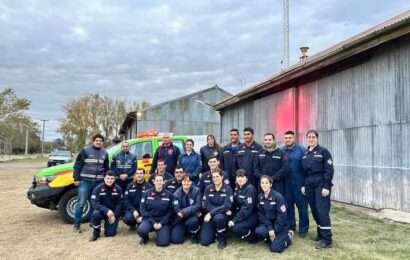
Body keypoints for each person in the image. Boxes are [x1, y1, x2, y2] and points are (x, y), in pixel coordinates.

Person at [301, 130, 334, 249]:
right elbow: (303, 172)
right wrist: (304, 185)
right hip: (309, 184)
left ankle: (327, 239)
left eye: (313, 137)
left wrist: (326, 186)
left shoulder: (324, 152)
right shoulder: (305, 153)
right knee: (314, 210)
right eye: (309, 137)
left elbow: (329, 170)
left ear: (317, 138)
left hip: (321, 184)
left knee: (322, 211)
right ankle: (320, 234)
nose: (311, 139)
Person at [73, 133, 109, 233]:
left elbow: (106, 168)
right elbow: (77, 165)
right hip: (85, 181)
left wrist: (106, 179)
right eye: (97, 141)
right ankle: (76, 225)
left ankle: (93, 223)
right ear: (93, 141)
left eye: (100, 141)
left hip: (99, 182)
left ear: (102, 142)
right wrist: (76, 178)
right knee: (81, 203)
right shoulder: (85, 151)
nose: (98, 142)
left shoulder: (105, 153)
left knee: (95, 204)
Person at [255, 175, 293, 253]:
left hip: (281, 226)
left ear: (271, 184)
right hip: (270, 224)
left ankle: (288, 237)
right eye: (262, 183)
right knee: (259, 231)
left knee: (275, 248)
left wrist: (274, 230)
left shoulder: (278, 197)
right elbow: (261, 215)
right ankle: (272, 238)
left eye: (266, 183)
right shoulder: (260, 197)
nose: (264, 185)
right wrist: (270, 228)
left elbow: (282, 216)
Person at [282, 130, 309, 237]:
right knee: (288, 207)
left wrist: (305, 184)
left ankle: (303, 229)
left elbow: (307, 168)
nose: (288, 140)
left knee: (302, 208)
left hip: (299, 184)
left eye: (290, 138)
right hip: (287, 185)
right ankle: (291, 227)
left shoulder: (302, 150)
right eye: (286, 138)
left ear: (294, 139)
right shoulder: (281, 151)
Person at [200, 169, 233, 249]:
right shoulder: (208, 188)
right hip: (211, 215)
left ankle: (222, 238)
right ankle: (214, 233)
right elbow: (205, 204)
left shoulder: (228, 189)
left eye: (217, 176)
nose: (215, 179)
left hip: (221, 215)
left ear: (222, 177)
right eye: (213, 177)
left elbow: (226, 206)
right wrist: (214, 212)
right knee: (205, 242)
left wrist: (211, 213)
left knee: (219, 218)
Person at [137, 174, 173, 247]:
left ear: (164, 182)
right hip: (149, 219)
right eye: (157, 180)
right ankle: (145, 237)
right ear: (154, 182)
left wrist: (161, 223)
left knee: (164, 243)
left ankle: (160, 233)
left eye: (160, 181)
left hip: (163, 221)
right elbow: (142, 209)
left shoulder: (169, 195)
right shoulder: (146, 193)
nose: (159, 182)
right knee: (141, 230)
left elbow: (170, 211)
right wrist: (153, 222)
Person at [89, 171, 123, 241]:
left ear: (114, 179)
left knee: (110, 234)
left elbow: (120, 204)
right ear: (104, 179)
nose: (109, 180)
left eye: (111, 179)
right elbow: (95, 203)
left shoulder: (118, 189)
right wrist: (107, 210)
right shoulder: (97, 188)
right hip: (102, 211)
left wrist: (115, 215)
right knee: (95, 214)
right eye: (108, 178)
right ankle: (96, 231)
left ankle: (109, 225)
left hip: (112, 214)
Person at [228, 169, 258, 243]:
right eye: (238, 177)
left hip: (252, 215)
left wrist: (234, 220)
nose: (240, 179)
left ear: (246, 178)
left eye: (242, 176)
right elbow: (234, 203)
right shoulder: (237, 188)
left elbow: (247, 209)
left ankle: (252, 235)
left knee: (236, 227)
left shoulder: (250, 189)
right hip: (242, 214)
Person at [171, 175, 202, 244]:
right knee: (176, 240)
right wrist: (180, 212)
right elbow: (176, 208)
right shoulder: (176, 193)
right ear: (181, 182)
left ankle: (194, 234)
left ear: (191, 182)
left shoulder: (196, 191)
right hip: (180, 219)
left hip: (191, 217)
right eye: (184, 181)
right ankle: (184, 231)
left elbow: (198, 205)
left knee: (193, 221)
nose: (186, 183)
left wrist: (184, 211)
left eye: (188, 181)